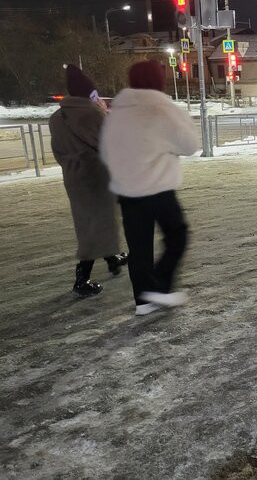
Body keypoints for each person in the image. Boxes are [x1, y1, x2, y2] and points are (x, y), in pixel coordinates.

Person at [100, 60, 199, 316]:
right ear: (158, 80)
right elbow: (189, 145)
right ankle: (161, 288)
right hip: (159, 188)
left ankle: (143, 301)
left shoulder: (117, 112)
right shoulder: (162, 109)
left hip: (127, 190)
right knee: (177, 235)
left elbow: (106, 151)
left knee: (139, 247)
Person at [49, 64, 127, 298]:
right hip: (96, 175)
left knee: (92, 219)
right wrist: (106, 114)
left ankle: (112, 257)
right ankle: (81, 279)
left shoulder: (57, 117)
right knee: (95, 224)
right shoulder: (92, 114)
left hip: (74, 177)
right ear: (88, 94)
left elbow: (58, 151)